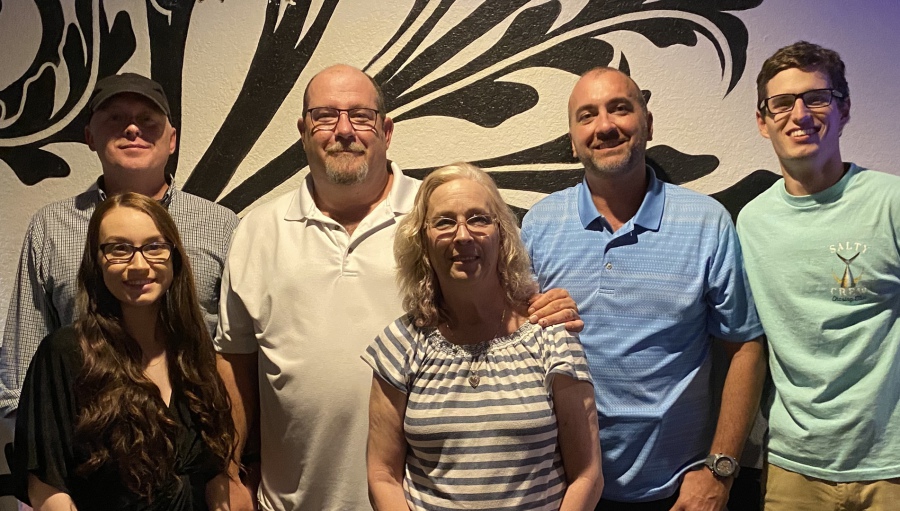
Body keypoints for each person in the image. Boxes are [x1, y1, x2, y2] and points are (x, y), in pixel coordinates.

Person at [215, 64, 581, 511]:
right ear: (303, 131)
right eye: (325, 116)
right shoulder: (256, 231)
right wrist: (228, 470)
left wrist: (548, 307)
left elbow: (509, 299)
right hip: (292, 501)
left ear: (387, 131)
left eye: (361, 116)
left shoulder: (439, 219)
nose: (344, 130)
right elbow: (234, 360)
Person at [520, 67, 766, 510]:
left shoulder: (706, 222)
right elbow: (509, 342)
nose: (605, 126)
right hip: (564, 487)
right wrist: (527, 321)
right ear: (573, 140)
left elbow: (744, 347)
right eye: (587, 115)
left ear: (648, 124)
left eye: (620, 108)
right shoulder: (539, 225)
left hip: (677, 491)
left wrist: (720, 471)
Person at [365, 163, 603, 510]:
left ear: (502, 234)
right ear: (422, 240)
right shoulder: (399, 345)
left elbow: (587, 474)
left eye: (478, 219)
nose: (463, 235)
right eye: (444, 222)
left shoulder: (551, 335)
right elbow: (382, 475)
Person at [0, 73, 239, 418]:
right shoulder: (50, 227)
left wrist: (233, 445)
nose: (132, 128)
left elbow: (237, 354)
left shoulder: (221, 225)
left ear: (172, 140)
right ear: (89, 136)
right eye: (115, 118)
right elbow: (23, 373)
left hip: (195, 438)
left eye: (147, 119)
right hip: (84, 436)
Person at [738, 41, 900, 509]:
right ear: (762, 121)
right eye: (782, 102)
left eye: (816, 98)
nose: (800, 114)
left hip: (891, 469)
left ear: (843, 109)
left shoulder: (890, 202)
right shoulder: (750, 223)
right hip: (793, 469)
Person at [12, 193, 237, 510]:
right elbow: (46, 488)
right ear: (96, 260)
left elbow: (213, 476)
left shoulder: (194, 350)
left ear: (174, 256)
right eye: (119, 249)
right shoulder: (64, 353)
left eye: (154, 247)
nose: (139, 265)